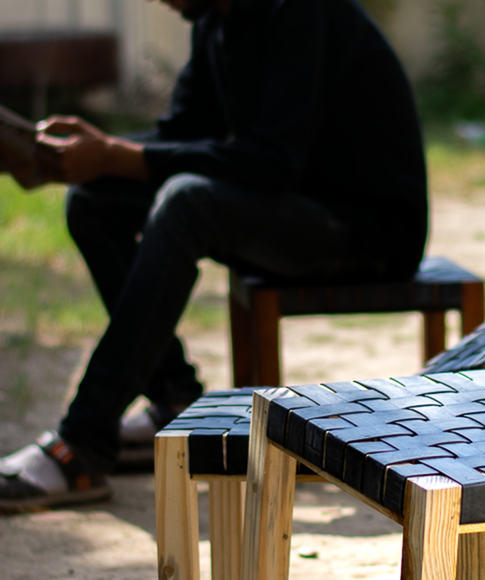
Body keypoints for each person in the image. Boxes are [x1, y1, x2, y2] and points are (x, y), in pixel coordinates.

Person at [0, 0, 428, 510]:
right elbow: (181, 135)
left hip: (365, 231)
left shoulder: (302, 12)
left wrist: (114, 156)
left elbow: (271, 162)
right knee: (94, 200)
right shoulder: (218, 19)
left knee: (189, 203)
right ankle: (174, 399)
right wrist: (89, 157)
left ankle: (82, 445)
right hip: (297, 210)